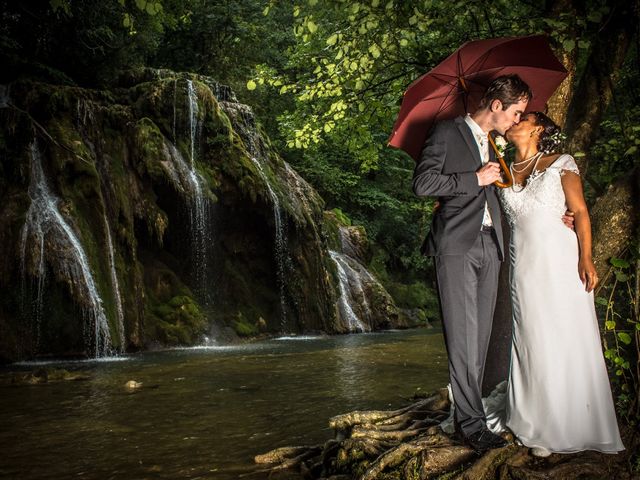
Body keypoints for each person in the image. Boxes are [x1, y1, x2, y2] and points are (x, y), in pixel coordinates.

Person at [412, 75, 531, 452]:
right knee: (463, 340)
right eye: (515, 113)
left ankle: (469, 416)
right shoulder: (447, 132)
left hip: (490, 247)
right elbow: (423, 183)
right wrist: (473, 179)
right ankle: (470, 426)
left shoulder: (494, 145)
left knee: (477, 341)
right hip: (456, 247)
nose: (516, 121)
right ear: (496, 105)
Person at [498, 111, 624, 457]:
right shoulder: (504, 170)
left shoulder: (561, 162)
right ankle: (533, 419)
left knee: (564, 331)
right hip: (522, 265)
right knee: (530, 334)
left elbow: (580, 212)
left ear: (538, 128)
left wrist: (586, 257)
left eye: (522, 117)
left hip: (559, 260)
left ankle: (570, 422)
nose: (514, 121)